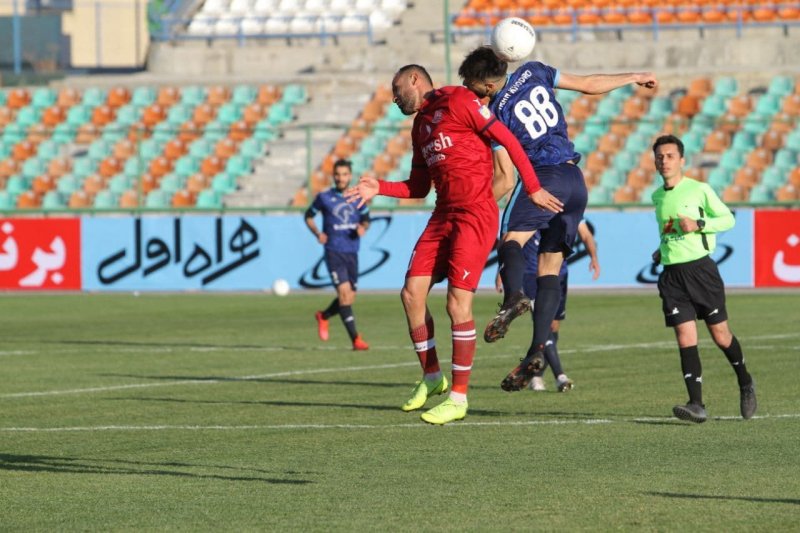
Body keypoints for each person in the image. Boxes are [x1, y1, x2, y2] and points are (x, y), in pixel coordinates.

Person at [345, 64, 562, 425]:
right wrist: (379, 187)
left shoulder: (458, 99)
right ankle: (432, 376)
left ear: (415, 79)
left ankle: (459, 398)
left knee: (456, 304)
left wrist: (534, 187)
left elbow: (507, 139)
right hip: (443, 214)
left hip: (475, 215)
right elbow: (418, 187)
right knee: (411, 294)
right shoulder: (420, 126)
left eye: (397, 89)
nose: (394, 98)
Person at [458, 46, 657, 392]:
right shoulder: (534, 71)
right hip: (575, 181)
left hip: (543, 179)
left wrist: (472, 206)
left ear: (487, 86)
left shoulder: (493, 115)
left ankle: (514, 298)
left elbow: (505, 178)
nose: (468, 91)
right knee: (549, 267)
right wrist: (634, 76)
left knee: (511, 241)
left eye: (471, 85)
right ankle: (537, 349)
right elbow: (588, 84)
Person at [651, 134, 756, 423]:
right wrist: (661, 251)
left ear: (682, 160)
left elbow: (728, 219)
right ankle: (696, 404)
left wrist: (699, 223)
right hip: (672, 277)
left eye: (670, 156)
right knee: (685, 338)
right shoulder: (657, 196)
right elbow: (669, 232)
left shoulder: (699, 189)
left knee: (720, 335)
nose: (664, 161)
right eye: (660, 157)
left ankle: (745, 381)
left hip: (701, 273)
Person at [494, 220, 600, 392]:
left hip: (560, 274)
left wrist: (593, 257)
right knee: (545, 324)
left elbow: (586, 235)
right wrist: (503, 269)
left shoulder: (567, 211)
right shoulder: (534, 212)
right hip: (532, 276)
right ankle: (560, 376)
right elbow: (511, 239)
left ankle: (536, 375)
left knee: (554, 326)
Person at [305, 158, 370, 351]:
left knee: (348, 298)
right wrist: (317, 233)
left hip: (352, 252)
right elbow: (308, 216)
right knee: (344, 294)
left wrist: (363, 227)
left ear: (350, 176)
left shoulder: (358, 197)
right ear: (333, 176)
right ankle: (356, 339)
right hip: (334, 251)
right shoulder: (324, 197)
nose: (341, 178)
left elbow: (366, 219)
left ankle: (323, 315)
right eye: (337, 174)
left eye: (344, 174)